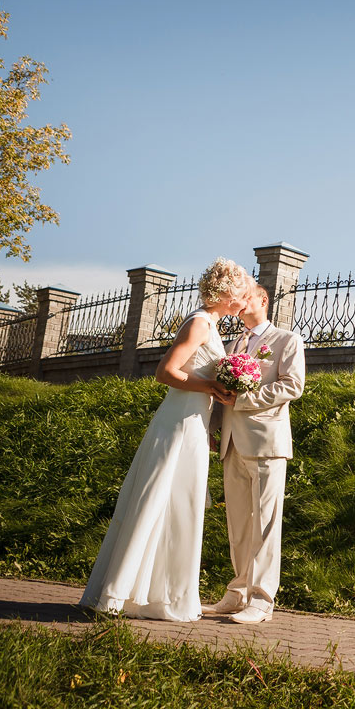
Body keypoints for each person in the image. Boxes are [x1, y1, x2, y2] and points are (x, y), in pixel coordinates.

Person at [80, 258, 249, 620]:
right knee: (158, 500)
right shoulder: (200, 323)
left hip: (193, 423)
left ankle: (158, 595)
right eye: (242, 291)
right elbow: (165, 372)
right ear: (227, 293)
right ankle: (122, 593)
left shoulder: (210, 324)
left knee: (178, 506)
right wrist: (213, 386)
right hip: (178, 424)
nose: (245, 299)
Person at [204, 282, 306, 624]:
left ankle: (262, 600)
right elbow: (222, 393)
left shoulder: (286, 340)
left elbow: (293, 385)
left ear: (262, 300)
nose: (238, 301)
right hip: (232, 442)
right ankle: (237, 593)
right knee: (238, 524)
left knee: (265, 524)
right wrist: (213, 428)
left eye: (244, 295)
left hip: (266, 442)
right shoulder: (232, 344)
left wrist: (245, 400)